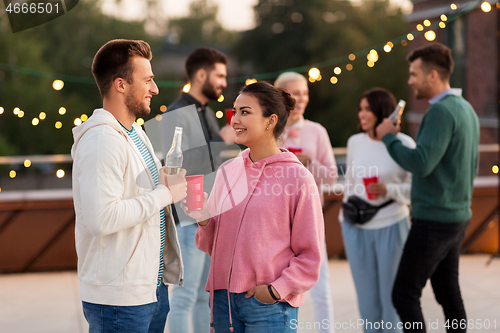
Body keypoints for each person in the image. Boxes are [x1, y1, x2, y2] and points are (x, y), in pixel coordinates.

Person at [184, 81, 325, 332]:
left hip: (269, 306)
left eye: (245, 112)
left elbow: (311, 257)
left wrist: (275, 291)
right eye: (235, 111)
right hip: (222, 303)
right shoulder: (228, 171)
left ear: (270, 121)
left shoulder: (298, 178)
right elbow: (211, 246)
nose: (235, 120)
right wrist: (204, 219)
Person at [71, 39, 187, 333]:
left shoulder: (135, 131)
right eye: (147, 80)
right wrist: (164, 193)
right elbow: (102, 218)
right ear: (121, 85)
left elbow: (138, 193)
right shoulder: (102, 141)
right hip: (119, 300)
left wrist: (164, 181)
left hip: (150, 289)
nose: (155, 89)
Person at [376, 43, 480, 333]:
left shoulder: (440, 112)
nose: (410, 81)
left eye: (413, 74)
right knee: (448, 295)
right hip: (456, 217)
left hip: (434, 222)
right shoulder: (465, 109)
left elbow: (421, 163)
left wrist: (389, 138)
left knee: (404, 294)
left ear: (433, 76)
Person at [166, 47, 235, 333]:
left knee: (203, 297)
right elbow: (177, 167)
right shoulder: (176, 113)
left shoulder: (205, 111)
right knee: (183, 299)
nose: (223, 83)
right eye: (219, 76)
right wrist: (224, 140)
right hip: (186, 219)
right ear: (201, 74)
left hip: (205, 217)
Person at [341, 88, 416, 333]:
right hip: (355, 228)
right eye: (360, 109)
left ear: (382, 111)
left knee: (391, 299)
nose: (361, 114)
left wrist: (389, 190)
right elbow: (350, 183)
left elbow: (415, 191)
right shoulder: (355, 142)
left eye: (367, 109)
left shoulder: (403, 143)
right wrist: (345, 220)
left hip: (392, 224)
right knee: (367, 302)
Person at [274, 72, 338, 333]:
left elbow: (332, 178)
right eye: (294, 93)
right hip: (275, 223)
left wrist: (310, 164)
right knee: (281, 288)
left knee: (321, 287)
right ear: (280, 95)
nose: (300, 99)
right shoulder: (271, 130)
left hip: (311, 220)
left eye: (304, 93)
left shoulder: (317, 131)